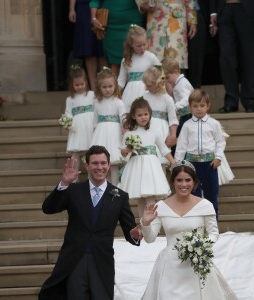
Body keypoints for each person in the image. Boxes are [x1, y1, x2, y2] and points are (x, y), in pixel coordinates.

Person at [38, 145, 141, 300]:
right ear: (86, 166)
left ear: (108, 165)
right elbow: (48, 208)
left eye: (103, 163)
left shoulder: (120, 196)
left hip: (102, 261)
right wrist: (64, 183)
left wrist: (138, 232)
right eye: (95, 163)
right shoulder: (73, 190)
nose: (99, 167)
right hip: (74, 260)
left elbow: (130, 232)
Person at [140, 160, 238, 299]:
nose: (184, 184)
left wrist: (199, 245)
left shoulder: (205, 205)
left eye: (188, 180)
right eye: (179, 180)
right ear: (173, 182)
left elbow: (213, 233)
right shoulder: (161, 206)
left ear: (194, 182)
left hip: (197, 263)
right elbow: (150, 239)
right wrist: (145, 223)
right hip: (170, 267)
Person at [210, 0, 254, 113]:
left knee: (251, 58)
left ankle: (249, 100)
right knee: (226, 58)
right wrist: (213, 12)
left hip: (251, 10)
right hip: (225, 9)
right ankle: (231, 101)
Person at [120, 98, 175, 217]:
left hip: (151, 168)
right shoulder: (129, 133)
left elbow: (164, 149)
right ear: (134, 116)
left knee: (150, 196)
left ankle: (152, 225)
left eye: (146, 114)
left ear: (150, 114)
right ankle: (143, 225)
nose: (144, 117)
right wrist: (127, 150)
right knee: (140, 199)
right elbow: (124, 153)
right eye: (140, 115)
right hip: (137, 167)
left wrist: (173, 162)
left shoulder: (154, 131)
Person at [175, 89, 225, 217]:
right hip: (192, 165)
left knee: (211, 195)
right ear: (190, 107)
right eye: (195, 106)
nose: (199, 109)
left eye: (202, 106)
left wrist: (218, 157)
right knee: (193, 196)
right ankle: (196, 225)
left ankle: (212, 226)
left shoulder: (214, 124)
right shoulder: (186, 125)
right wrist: (179, 164)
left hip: (209, 164)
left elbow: (220, 142)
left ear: (208, 106)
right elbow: (181, 145)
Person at [136, 0, 197, 70]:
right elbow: (142, 4)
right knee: (155, 61)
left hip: (177, 19)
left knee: (175, 62)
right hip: (155, 18)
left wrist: (192, 21)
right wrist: (143, 4)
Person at [90, 0, 143, 76]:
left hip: (132, 19)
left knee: (133, 57)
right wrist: (93, 18)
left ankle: (132, 86)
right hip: (111, 23)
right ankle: (115, 87)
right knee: (114, 61)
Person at [91, 68, 125, 185]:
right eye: (104, 87)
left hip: (114, 135)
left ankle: (115, 188)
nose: (107, 89)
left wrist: (124, 129)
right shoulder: (97, 103)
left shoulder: (118, 102)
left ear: (115, 86)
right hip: (101, 135)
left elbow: (123, 119)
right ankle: (104, 187)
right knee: (102, 163)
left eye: (110, 86)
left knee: (114, 163)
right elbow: (95, 122)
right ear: (99, 88)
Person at [117, 25, 160, 112]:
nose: (142, 48)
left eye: (144, 44)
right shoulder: (126, 60)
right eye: (138, 46)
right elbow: (121, 81)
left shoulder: (151, 57)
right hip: (130, 94)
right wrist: (113, 95)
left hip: (148, 91)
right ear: (131, 45)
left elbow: (161, 74)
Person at [142, 65, 179, 164]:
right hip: (147, 128)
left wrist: (173, 135)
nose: (147, 87)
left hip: (161, 130)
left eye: (149, 85)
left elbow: (173, 119)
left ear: (158, 83)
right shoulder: (144, 97)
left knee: (161, 157)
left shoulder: (167, 99)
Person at [63, 66, 94, 173]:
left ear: (86, 82)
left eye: (82, 84)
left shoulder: (91, 95)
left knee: (91, 152)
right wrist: (68, 123)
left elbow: (97, 109)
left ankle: (92, 177)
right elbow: (68, 113)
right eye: (77, 85)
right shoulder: (70, 99)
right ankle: (73, 177)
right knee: (76, 152)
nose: (80, 87)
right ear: (72, 85)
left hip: (89, 126)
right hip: (77, 128)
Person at [69, 0, 105, 90]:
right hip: (84, 8)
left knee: (103, 50)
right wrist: (72, 9)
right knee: (88, 49)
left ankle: (104, 85)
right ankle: (93, 89)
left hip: (103, 6)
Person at [162, 58, 194, 139]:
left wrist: (174, 107)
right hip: (184, 115)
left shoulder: (182, 84)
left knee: (180, 135)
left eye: (167, 77)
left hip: (189, 115)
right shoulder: (178, 84)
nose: (167, 81)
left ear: (176, 72)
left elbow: (187, 99)